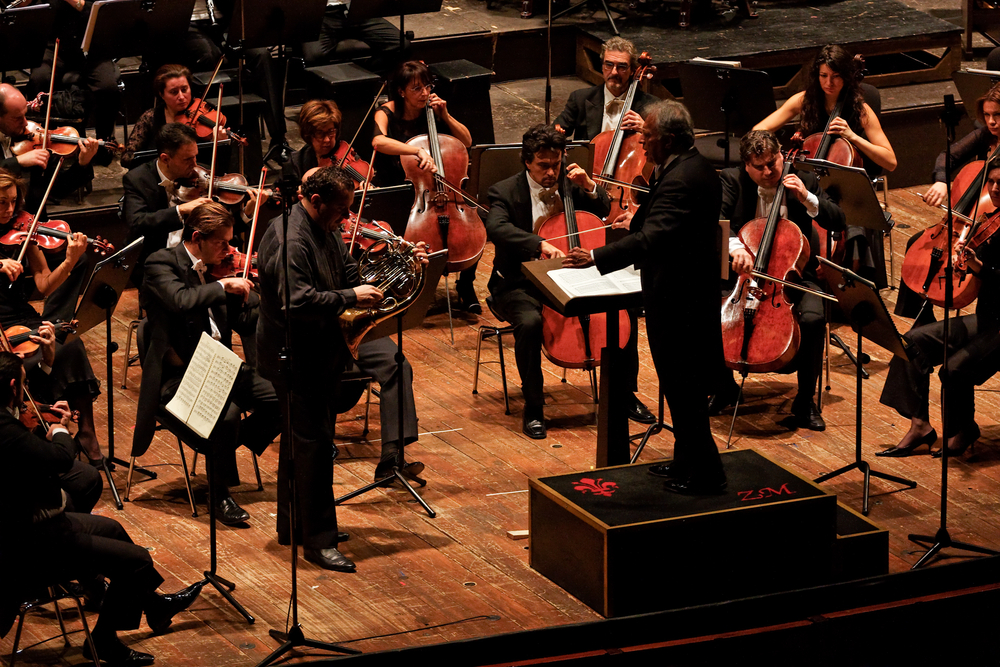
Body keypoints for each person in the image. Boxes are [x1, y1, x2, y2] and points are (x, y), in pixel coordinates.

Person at [257, 167, 425, 572]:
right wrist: (352, 295)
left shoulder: (325, 225)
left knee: (305, 443)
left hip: (319, 349)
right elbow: (294, 300)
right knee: (313, 447)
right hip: (295, 354)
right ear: (315, 201)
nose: (346, 218)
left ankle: (294, 525)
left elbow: (345, 271)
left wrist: (381, 277)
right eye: (341, 209)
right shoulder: (289, 238)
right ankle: (318, 540)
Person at [563, 100, 726, 495]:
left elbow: (654, 237)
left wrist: (597, 257)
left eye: (648, 137)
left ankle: (705, 473)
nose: (642, 142)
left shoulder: (683, 177)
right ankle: (686, 459)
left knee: (683, 387)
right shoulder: (684, 167)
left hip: (680, 300)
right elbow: (654, 219)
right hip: (680, 293)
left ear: (668, 140)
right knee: (677, 386)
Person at [0, 352, 204, 667]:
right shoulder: (6, 432)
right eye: (23, 388)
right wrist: (61, 432)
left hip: (39, 528)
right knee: (137, 561)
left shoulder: (6, 425)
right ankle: (104, 641)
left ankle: (155, 606)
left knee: (114, 530)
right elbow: (58, 459)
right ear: (13, 386)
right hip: (32, 546)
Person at [133, 202, 281, 525]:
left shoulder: (217, 270)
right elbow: (181, 301)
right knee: (225, 416)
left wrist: (261, 295)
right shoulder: (161, 263)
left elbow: (242, 315)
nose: (229, 250)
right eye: (222, 243)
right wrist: (222, 286)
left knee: (283, 397)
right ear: (197, 237)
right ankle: (219, 494)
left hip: (221, 367)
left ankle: (223, 448)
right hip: (179, 376)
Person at [484, 124, 624, 440]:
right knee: (531, 323)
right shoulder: (505, 191)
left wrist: (588, 184)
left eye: (556, 164)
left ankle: (625, 397)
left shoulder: (570, 185)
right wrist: (538, 243)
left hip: (570, 277)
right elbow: (496, 228)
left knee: (618, 312)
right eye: (543, 166)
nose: (551, 172)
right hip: (518, 283)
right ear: (526, 161)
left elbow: (602, 209)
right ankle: (534, 407)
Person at [712, 130, 846, 431]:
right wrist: (736, 249)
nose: (769, 171)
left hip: (793, 277)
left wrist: (807, 198)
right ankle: (724, 387)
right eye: (759, 166)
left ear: (782, 155)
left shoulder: (803, 179)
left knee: (813, 318)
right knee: (708, 310)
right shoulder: (732, 180)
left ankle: (804, 401)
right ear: (746, 164)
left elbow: (838, 219)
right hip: (743, 277)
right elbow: (715, 221)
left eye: (773, 162)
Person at [877, 160, 1000, 459]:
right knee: (912, 342)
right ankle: (920, 426)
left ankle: (963, 429)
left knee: (954, 368)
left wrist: (979, 267)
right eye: (992, 181)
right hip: (986, 318)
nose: (995, 189)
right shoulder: (991, 219)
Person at [0, 168, 106, 467]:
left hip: (21, 315)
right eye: (1, 203)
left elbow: (44, 283)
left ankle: (86, 430)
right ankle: (39, 424)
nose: (9, 210)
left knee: (70, 345)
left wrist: (71, 260)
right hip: (0, 327)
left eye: (13, 201)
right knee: (33, 359)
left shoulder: (23, 229)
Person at [372, 60, 481, 313]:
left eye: (427, 87)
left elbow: (466, 141)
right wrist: (415, 151)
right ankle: (413, 288)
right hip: (400, 188)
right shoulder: (386, 112)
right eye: (417, 88)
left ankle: (466, 285)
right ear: (401, 91)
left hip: (435, 190)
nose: (425, 93)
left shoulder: (431, 110)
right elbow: (378, 141)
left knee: (473, 229)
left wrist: (445, 115)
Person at [755, 44, 896, 174]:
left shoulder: (860, 110)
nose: (829, 83)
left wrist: (853, 137)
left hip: (847, 180)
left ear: (846, 77)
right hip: (808, 179)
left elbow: (890, 162)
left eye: (836, 76)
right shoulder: (804, 100)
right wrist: (775, 151)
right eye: (823, 76)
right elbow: (758, 131)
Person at [123, 123, 215, 284]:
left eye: (195, 156)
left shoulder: (202, 175)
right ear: (166, 158)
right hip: (155, 261)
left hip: (195, 260)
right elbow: (137, 222)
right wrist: (179, 211)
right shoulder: (138, 179)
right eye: (187, 159)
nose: (195, 164)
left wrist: (246, 213)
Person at [0, 83, 100, 210]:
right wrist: (18, 162)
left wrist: (82, 163)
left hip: (32, 221)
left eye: (25, 115)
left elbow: (58, 190)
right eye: (17, 118)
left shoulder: (36, 142)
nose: (25, 123)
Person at [554, 36, 658, 141]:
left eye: (622, 67)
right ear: (602, 67)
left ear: (632, 70)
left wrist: (646, 129)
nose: (614, 72)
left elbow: (668, 145)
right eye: (609, 65)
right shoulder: (580, 98)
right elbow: (552, 132)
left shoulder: (652, 106)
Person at [302, 1, 409, 77]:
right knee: (313, 55)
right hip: (324, 14)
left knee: (401, 44)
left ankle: (362, 77)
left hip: (358, 11)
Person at [120, 64, 196, 169]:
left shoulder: (200, 113)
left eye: (184, 90)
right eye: (174, 92)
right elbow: (127, 159)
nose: (181, 97)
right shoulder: (150, 118)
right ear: (161, 94)